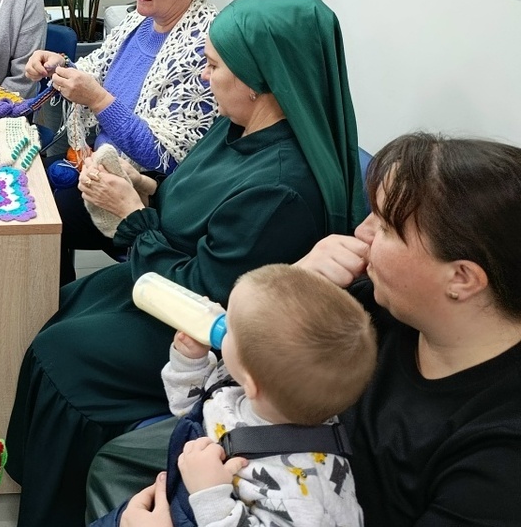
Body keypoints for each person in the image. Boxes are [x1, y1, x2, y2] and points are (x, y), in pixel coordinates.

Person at [6, 0, 365, 527]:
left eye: (214, 66)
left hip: (196, 322)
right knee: (70, 302)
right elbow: (188, 198)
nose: (202, 75)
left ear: (257, 79)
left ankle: (55, 507)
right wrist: (145, 187)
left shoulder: (281, 189)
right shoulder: (236, 124)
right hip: (160, 276)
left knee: (64, 359)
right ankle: (34, 473)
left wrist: (132, 216)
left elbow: (205, 290)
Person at [95, 133, 521, 527]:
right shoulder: (372, 305)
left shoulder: (498, 459)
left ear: (462, 278)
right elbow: (255, 358)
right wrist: (296, 278)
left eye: (385, 227)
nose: (361, 232)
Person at [24, 0, 225, 284]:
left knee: (36, 215)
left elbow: (165, 158)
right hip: (97, 164)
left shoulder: (205, 47)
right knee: (30, 190)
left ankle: (56, 305)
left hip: (144, 192)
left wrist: (98, 100)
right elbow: (95, 70)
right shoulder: (140, 21)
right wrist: (59, 65)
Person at [92, 264, 375, 527]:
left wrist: (210, 496)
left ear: (251, 382)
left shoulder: (302, 495)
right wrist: (190, 361)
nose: (220, 319)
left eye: (230, 326)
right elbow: (191, 408)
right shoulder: (256, 389)